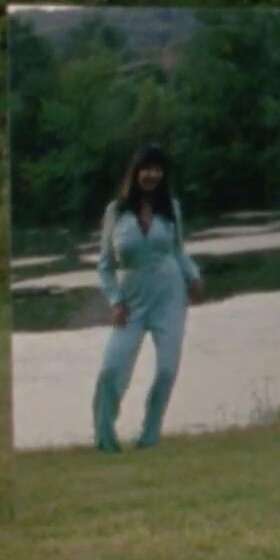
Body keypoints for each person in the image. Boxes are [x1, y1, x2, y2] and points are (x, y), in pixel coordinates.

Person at [92, 144, 203, 452]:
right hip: (131, 302)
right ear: (135, 172)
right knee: (112, 368)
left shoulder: (171, 209)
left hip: (170, 297)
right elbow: (105, 266)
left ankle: (149, 436)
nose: (152, 175)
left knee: (167, 370)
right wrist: (115, 301)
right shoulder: (116, 212)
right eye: (146, 168)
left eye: (158, 169)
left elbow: (178, 252)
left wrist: (194, 276)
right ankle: (105, 438)